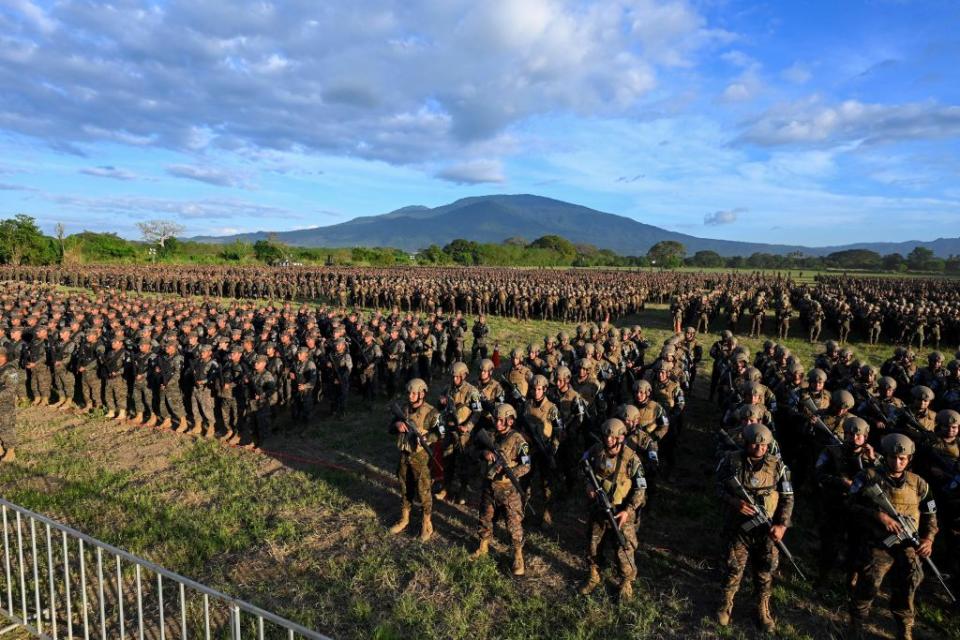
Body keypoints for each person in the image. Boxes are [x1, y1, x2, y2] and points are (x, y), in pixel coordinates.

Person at [847, 434, 938, 640]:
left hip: (907, 543)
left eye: (902, 459)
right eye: (893, 457)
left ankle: (904, 627)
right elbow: (850, 504)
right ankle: (856, 625)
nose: (897, 462)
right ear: (885, 456)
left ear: (909, 459)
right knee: (869, 583)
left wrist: (928, 539)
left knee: (909, 584)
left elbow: (930, 514)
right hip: (877, 542)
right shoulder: (868, 476)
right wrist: (878, 515)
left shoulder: (919, 484)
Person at [715, 423, 794, 632]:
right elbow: (718, 487)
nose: (760, 448)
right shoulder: (731, 461)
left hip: (767, 530)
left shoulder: (779, 466)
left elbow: (787, 498)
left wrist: (781, 525)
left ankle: (762, 608)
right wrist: (735, 502)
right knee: (733, 568)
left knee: (765, 571)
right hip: (738, 527)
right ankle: (726, 604)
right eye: (755, 444)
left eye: (764, 445)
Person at [579, 418, 646, 599]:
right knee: (593, 543)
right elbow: (584, 468)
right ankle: (594, 575)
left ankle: (626, 581)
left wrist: (628, 511)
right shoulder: (595, 451)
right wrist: (588, 486)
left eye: (613, 437)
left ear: (621, 438)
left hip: (621, 510)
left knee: (624, 548)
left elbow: (641, 488)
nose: (608, 440)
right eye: (606, 436)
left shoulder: (631, 459)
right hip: (599, 508)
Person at [473, 403, 531, 576]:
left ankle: (518, 555)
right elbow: (475, 450)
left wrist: (509, 471)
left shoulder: (518, 440)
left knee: (513, 524)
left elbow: (526, 465)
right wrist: (485, 454)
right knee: (485, 516)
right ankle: (483, 546)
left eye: (501, 420)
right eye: (496, 420)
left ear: (510, 421)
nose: (497, 423)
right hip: (489, 485)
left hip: (508, 488)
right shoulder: (490, 435)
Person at [388, 378, 441, 542]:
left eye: (413, 393)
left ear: (422, 394)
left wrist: (425, 437)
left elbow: (440, 433)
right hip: (404, 455)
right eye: (409, 393)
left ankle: (426, 523)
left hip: (420, 457)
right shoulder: (404, 409)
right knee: (405, 486)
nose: (410, 396)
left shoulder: (432, 412)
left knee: (423, 490)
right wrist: (397, 424)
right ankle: (405, 518)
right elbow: (390, 428)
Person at [0, 348, 19, 461]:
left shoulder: (10, 370)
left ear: (3, 357)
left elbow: (11, 389)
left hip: (5, 404)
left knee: (6, 427)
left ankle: (10, 452)